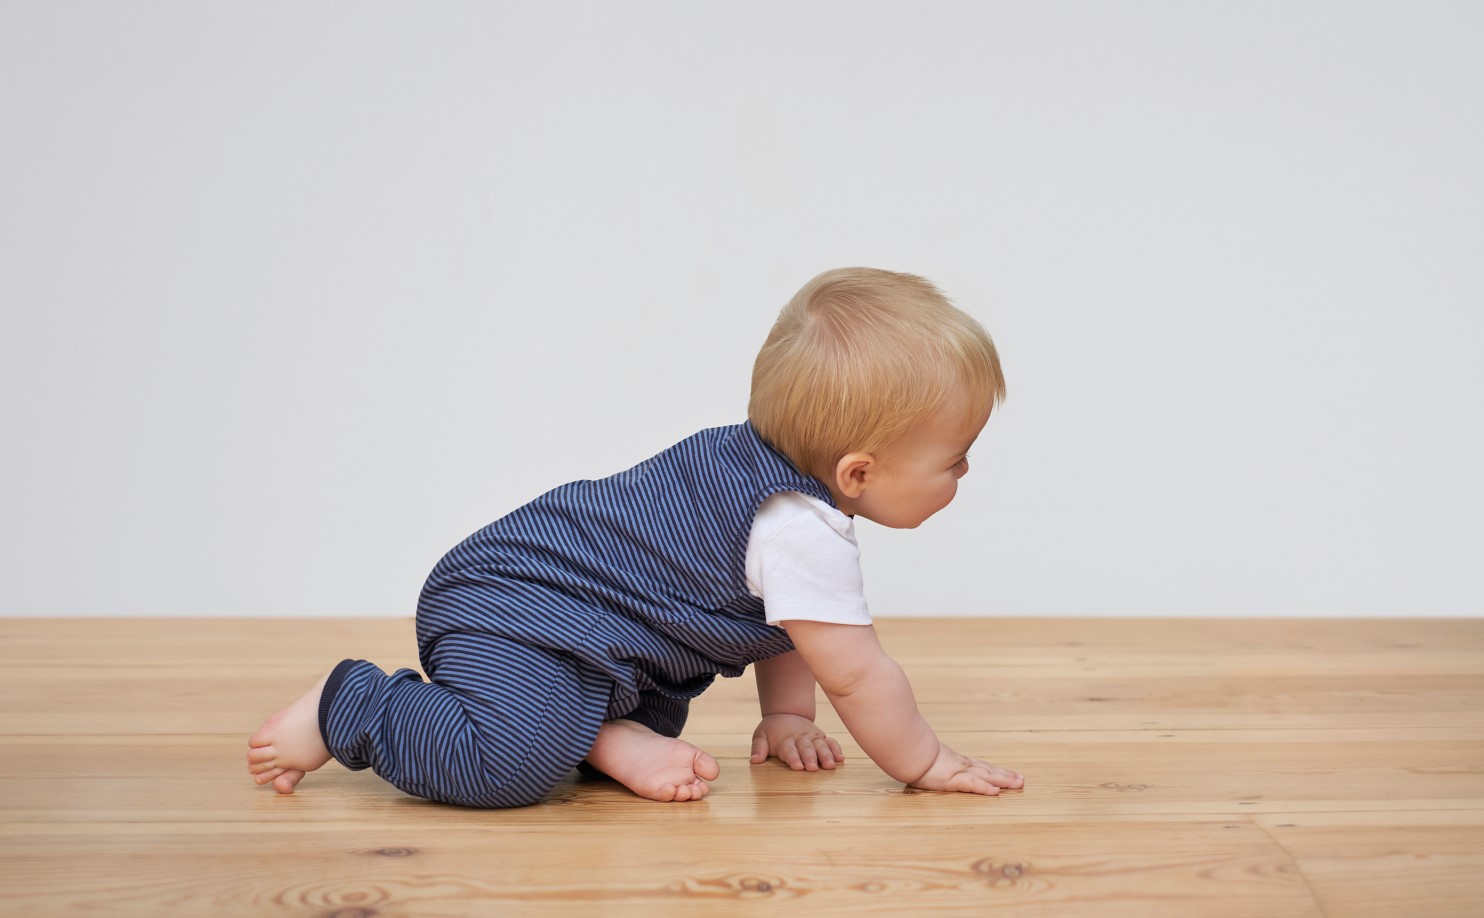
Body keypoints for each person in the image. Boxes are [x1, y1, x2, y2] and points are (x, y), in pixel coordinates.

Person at [246, 267, 1026, 807]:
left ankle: (602, 736)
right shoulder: (799, 526)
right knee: (504, 766)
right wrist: (923, 761)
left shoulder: (777, 485)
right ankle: (351, 703)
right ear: (856, 473)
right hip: (513, 610)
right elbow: (858, 674)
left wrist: (790, 717)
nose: (965, 474)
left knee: (660, 715)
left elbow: (791, 623)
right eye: (955, 459)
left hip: (586, 633)